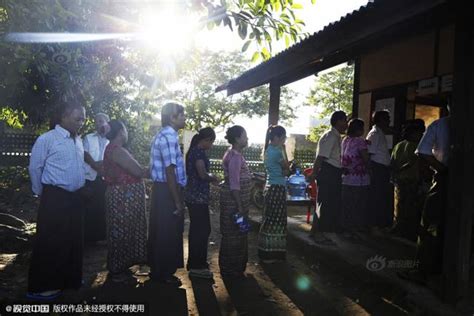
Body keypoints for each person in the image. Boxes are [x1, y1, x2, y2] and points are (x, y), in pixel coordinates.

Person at [27, 102, 86, 300]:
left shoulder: (78, 140)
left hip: (76, 196)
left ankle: (70, 280)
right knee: (51, 240)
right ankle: (43, 286)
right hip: (55, 196)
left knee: (74, 239)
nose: (82, 122)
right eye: (78, 118)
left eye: (84, 119)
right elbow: (35, 168)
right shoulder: (47, 139)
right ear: (63, 116)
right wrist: (41, 193)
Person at [399, 105, 450, 284]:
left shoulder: (439, 125)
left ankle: (423, 270)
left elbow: (424, 152)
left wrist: (442, 169)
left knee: (429, 223)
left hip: (444, 179)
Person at [103, 120, 148, 282]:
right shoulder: (117, 150)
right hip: (122, 199)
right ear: (121, 131)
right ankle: (117, 271)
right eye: (126, 129)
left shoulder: (113, 149)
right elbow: (138, 171)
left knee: (123, 230)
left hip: (122, 198)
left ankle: (121, 267)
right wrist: (157, 169)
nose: (127, 132)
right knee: (121, 231)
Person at [149, 102, 187, 285]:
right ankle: (164, 274)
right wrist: (177, 201)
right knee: (167, 232)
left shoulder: (161, 135)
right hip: (167, 190)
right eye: (182, 114)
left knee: (159, 230)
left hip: (161, 189)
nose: (184, 117)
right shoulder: (170, 137)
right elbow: (170, 171)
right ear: (172, 117)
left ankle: (158, 270)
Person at [307, 111, 348, 244]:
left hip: (331, 171)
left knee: (323, 202)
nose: (346, 124)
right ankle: (319, 234)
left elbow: (330, 158)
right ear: (337, 121)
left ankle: (315, 231)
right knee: (325, 203)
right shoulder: (331, 136)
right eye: (344, 121)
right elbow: (321, 157)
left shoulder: (333, 136)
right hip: (328, 172)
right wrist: (313, 173)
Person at [184, 127, 219, 279]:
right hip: (197, 197)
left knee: (198, 229)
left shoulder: (194, 151)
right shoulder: (198, 153)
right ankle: (198, 266)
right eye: (211, 142)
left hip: (194, 197)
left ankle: (195, 263)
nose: (211, 145)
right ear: (205, 140)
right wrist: (214, 177)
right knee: (202, 229)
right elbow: (202, 175)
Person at [219, 125, 252, 278]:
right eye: (245, 136)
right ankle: (233, 269)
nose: (247, 138)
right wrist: (240, 207)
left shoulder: (231, 154)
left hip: (234, 203)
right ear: (238, 139)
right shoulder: (236, 157)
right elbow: (234, 184)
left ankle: (232, 267)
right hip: (236, 205)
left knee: (235, 233)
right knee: (236, 234)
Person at [390, 119, 426, 242]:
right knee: (411, 207)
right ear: (413, 133)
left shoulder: (398, 145)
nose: (421, 135)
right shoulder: (416, 146)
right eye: (419, 133)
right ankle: (408, 232)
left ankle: (398, 228)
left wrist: (396, 172)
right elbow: (414, 163)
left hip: (399, 181)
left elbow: (392, 162)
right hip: (411, 179)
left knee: (399, 206)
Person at [258, 125, 289, 262]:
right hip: (277, 188)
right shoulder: (277, 152)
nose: (284, 140)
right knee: (277, 221)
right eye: (283, 138)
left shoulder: (268, 150)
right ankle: (274, 255)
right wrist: (284, 151)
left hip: (270, 187)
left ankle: (266, 252)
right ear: (276, 137)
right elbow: (286, 169)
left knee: (269, 220)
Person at [83, 113, 110, 244]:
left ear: (107, 123)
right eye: (96, 122)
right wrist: (94, 163)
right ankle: (89, 238)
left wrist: (102, 165)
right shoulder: (88, 138)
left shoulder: (111, 140)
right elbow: (84, 153)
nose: (98, 124)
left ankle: (101, 237)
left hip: (104, 178)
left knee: (102, 207)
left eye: (101, 121)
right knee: (89, 208)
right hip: (90, 177)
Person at [340, 118, 370, 237]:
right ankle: (354, 228)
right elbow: (365, 158)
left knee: (347, 204)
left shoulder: (345, 140)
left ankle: (345, 228)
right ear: (359, 129)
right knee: (358, 204)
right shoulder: (360, 141)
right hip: (359, 178)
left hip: (346, 177)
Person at [366, 110, 393, 233]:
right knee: (376, 198)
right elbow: (369, 153)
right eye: (387, 119)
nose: (389, 121)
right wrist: (371, 170)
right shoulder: (375, 133)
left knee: (381, 197)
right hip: (377, 169)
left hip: (382, 169)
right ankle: (374, 225)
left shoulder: (380, 133)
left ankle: (379, 224)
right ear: (381, 120)